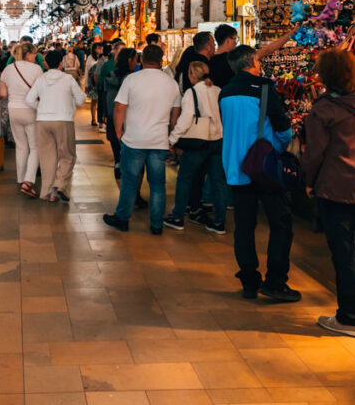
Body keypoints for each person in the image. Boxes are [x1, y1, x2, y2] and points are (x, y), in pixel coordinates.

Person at [219, 44, 300, 301]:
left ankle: (249, 280)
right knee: (280, 222)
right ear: (253, 62)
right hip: (264, 168)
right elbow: (282, 126)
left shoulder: (225, 93)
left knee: (244, 226)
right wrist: (280, 147)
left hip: (236, 167)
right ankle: (275, 281)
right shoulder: (264, 88)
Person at [302, 49, 355, 337]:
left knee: (344, 253)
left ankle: (350, 317)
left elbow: (315, 152)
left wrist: (308, 181)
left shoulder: (324, 109)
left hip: (337, 187)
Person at [103, 44, 181, 235]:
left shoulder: (132, 79)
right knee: (157, 184)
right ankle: (156, 224)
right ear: (161, 60)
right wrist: (171, 135)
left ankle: (123, 218)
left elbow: (119, 107)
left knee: (129, 181)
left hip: (134, 139)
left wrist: (119, 130)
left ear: (142, 59)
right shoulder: (170, 83)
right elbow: (175, 113)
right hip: (159, 140)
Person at [164, 60, 229, 234]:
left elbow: (186, 119)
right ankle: (219, 222)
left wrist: (172, 139)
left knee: (184, 179)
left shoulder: (191, 92)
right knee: (218, 182)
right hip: (218, 140)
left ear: (192, 75)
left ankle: (178, 217)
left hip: (198, 143)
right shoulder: (218, 90)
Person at [25, 49, 85, 203]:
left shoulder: (41, 79)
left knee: (47, 159)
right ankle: (59, 185)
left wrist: (41, 107)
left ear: (46, 63)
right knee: (67, 156)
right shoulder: (68, 79)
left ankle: (47, 193)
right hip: (63, 120)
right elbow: (81, 99)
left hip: (43, 121)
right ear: (61, 63)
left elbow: (29, 99)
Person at [0, 43, 43, 196]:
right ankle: (28, 181)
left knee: (21, 146)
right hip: (30, 110)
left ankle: (21, 178)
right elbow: (41, 91)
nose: (35, 57)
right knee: (35, 147)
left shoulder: (8, 69)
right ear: (28, 54)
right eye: (34, 54)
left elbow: (3, 94)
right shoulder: (36, 69)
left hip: (13, 110)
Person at [103, 47, 135, 180]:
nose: (137, 62)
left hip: (111, 117)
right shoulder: (131, 79)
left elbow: (105, 95)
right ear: (129, 60)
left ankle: (120, 182)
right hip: (127, 120)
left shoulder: (110, 76)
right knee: (130, 157)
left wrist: (105, 114)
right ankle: (131, 187)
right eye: (135, 59)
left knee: (117, 156)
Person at [85, 43, 103, 126]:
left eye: (101, 48)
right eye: (99, 48)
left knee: (101, 102)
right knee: (94, 101)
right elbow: (87, 71)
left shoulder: (102, 58)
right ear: (95, 49)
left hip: (101, 82)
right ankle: (93, 119)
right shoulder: (90, 58)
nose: (101, 50)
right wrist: (86, 84)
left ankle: (101, 120)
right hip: (92, 83)